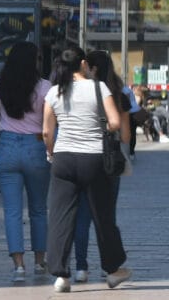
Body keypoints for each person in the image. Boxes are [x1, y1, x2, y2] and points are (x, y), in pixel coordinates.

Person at [43, 45, 132, 292]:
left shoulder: (54, 92)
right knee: (103, 216)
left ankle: (61, 275)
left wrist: (51, 152)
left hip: (63, 158)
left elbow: (47, 131)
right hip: (93, 159)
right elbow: (115, 122)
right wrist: (98, 127)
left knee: (60, 217)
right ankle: (113, 270)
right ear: (83, 64)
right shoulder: (98, 87)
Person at [0, 40, 51, 283]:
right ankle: (39, 261)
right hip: (35, 147)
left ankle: (18, 266)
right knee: (38, 209)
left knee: (12, 211)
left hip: (6, 147)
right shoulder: (45, 87)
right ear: (33, 62)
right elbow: (49, 122)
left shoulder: (2, 84)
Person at [72, 50, 131, 283]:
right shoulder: (119, 95)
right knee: (106, 217)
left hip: (80, 156)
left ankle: (81, 267)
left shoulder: (77, 92)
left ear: (91, 68)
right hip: (108, 161)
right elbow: (125, 137)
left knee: (82, 216)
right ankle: (110, 267)